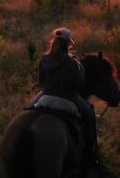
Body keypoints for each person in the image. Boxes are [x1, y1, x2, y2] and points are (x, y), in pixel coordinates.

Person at [34, 27, 98, 169]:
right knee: (89, 114)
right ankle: (91, 152)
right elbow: (79, 85)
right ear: (68, 44)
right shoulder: (73, 63)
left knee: (28, 109)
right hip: (68, 96)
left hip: (45, 94)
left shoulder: (44, 59)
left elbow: (41, 81)